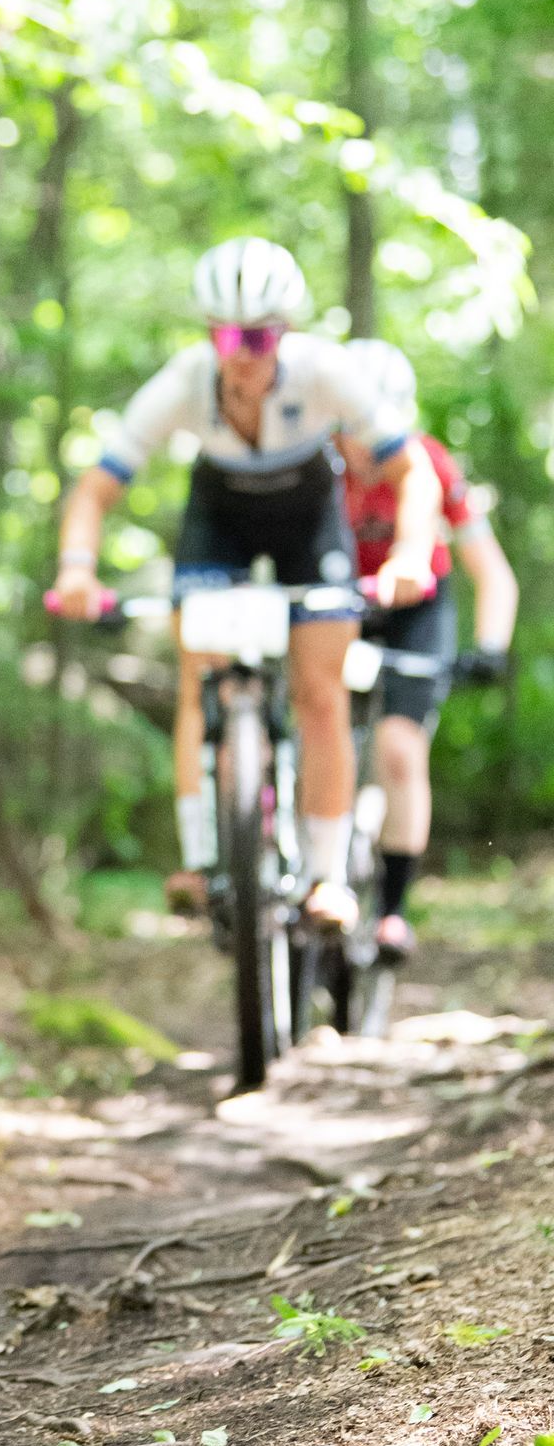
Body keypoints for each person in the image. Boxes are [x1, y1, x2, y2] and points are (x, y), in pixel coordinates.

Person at [53, 237, 439, 929]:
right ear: (210, 332)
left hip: (309, 520)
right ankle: (204, 861)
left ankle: (326, 876)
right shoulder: (184, 382)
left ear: (285, 331)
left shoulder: (327, 371)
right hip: (219, 518)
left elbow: (412, 468)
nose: (244, 351)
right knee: (200, 680)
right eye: (229, 333)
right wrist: (77, 569)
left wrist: (410, 554)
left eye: (260, 335)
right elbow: (95, 488)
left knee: (321, 691)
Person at [338, 340, 518, 960]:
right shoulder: (316, 467)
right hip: (340, 607)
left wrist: (490, 647)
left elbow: (492, 572)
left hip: (419, 612)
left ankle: (392, 911)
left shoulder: (430, 466)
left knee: (398, 747)